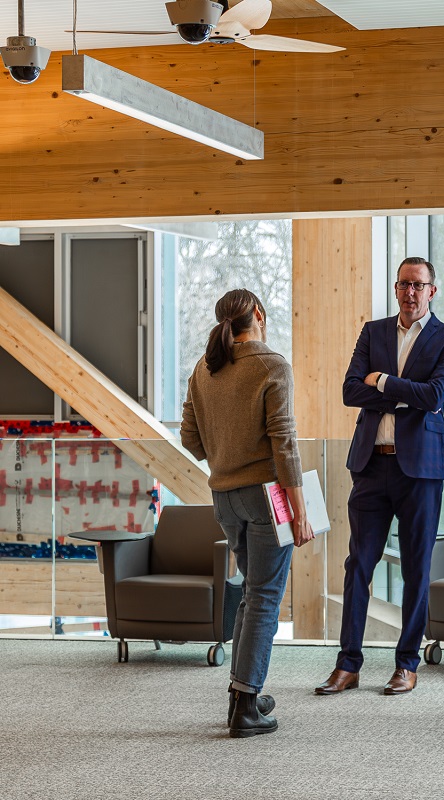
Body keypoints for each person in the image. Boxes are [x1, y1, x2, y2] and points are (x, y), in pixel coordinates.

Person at [315, 257, 444, 696]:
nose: (410, 292)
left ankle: (407, 664)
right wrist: (401, 392)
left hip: (420, 471)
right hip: (370, 465)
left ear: (432, 291)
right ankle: (348, 664)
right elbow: (349, 390)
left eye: (418, 285)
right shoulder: (373, 332)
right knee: (358, 564)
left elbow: (435, 395)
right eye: (403, 284)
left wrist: (381, 382)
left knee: (416, 569)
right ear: (395, 288)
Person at [181, 288, 314, 738]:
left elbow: (189, 438)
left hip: (224, 497)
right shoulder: (271, 365)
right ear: (257, 314)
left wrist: (224, 456)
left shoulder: (205, 367)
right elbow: (285, 444)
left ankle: (244, 693)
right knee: (264, 597)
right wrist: (300, 511)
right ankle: (245, 708)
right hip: (265, 496)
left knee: (250, 593)